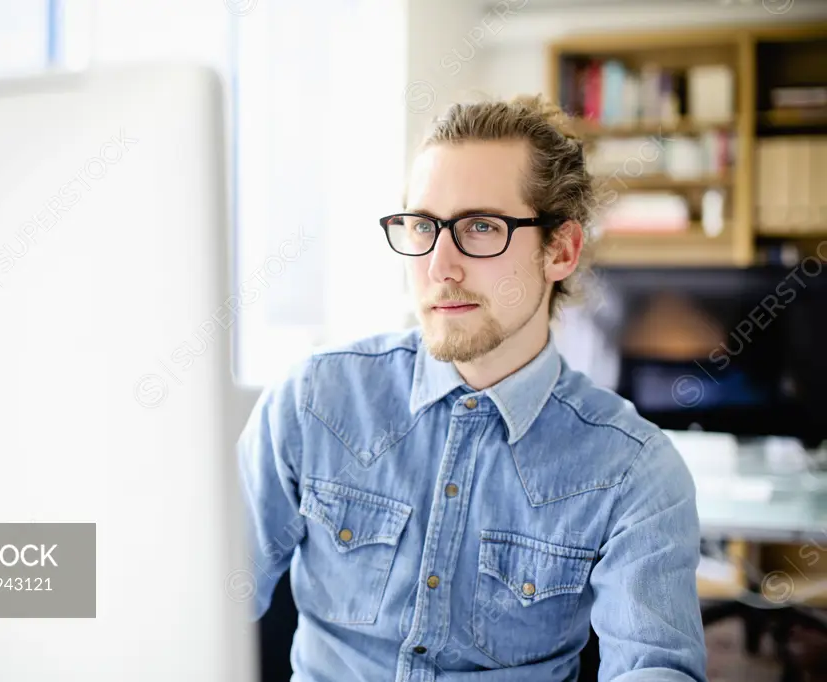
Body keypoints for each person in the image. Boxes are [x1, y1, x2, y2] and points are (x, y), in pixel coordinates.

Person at [236, 94, 707, 682]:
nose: (439, 266)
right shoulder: (314, 400)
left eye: (480, 227)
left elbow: (657, 669)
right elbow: (195, 594)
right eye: (423, 225)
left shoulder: (633, 469)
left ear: (560, 249)